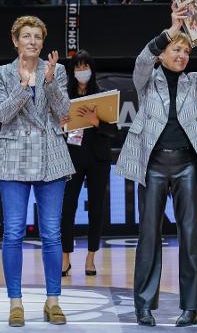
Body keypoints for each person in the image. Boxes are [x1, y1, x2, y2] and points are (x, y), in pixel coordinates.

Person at [115, 3, 197, 327]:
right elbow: (140, 61)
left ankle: (191, 306)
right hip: (152, 165)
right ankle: (144, 306)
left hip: (187, 165)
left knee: (190, 235)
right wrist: (170, 31)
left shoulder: (192, 82)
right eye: (176, 50)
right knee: (149, 235)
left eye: (185, 52)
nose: (181, 55)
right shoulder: (146, 79)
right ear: (163, 54)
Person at [0, 15, 74, 327]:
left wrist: (49, 81)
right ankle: (16, 302)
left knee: (52, 233)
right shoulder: (1, 73)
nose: (33, 42)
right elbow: (2, 114)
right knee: (13, 232)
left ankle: (53, 301)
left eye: (38, 36)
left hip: (51, 156)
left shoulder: (57, 71)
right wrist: (25, 85)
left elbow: (65, 112)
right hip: (13, 157)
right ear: (16, 41)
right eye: (27, 36)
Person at [60, 50, 117, 277]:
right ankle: (65, 257)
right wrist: (60, 122)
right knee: (67, 208)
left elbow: (113, 130)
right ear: (72, 71)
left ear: (91, 70)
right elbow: (54, 127)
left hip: (98, 160)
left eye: (85, 67)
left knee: (96, 208)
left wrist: (96, 122)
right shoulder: (64, 97)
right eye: (77, 67)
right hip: (72, 159)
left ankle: (91, 257)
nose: (82, 72)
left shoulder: (102, 96)